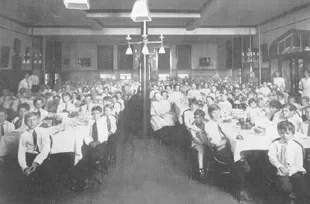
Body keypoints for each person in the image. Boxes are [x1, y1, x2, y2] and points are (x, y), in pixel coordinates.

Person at [204, 104, 251, 201]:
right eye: (214, 113)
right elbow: (215, 144)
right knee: (239, 161)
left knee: (242, 153)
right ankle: (240, 191)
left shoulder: (218, 122)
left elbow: (225, 132)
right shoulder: (209, 125)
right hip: (219, 151)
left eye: (218, 112)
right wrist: (226, 140)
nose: (217, 115)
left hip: (226, 146)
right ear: (210, 114)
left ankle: (244, 171)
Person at [69, 106, 112, 191]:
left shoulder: (103, 121)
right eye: (93, 113)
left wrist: (97, 142)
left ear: (100, 113)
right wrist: (90, 142)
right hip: (91, 144)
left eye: (97, 113)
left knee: (88, 159)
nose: (95, 115)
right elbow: (86, 135)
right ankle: (82, 180)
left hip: (101, 144)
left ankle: (82, 180)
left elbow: (105, 135)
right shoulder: (90, 122)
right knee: (85, 157)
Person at [268, 121, 309, 203]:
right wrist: (280, 166)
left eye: (287, 133)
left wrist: (290, 171)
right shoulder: (275, 144)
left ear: (292, 133)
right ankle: (286, 199)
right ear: (279, 132)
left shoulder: (296, 146)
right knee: (285, 188)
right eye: (282, 133)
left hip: (294, 170)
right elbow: (272, 157)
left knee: (301, 186)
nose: (285, 135)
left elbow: (299, 163)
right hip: (280, 170)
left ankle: (300, 199)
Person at [17, 112, 54, 183]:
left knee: (46, 178)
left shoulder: (44, 132)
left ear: (38, 121)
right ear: (25, 122)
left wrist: (36, 162)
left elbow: (45, 150)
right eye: (29, 120)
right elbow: (21, 153)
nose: (32, 122)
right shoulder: (23, 135)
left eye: (34, 119)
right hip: (29, 157)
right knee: (27, 179)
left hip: (42, 157)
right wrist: (24, 167)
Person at [190, 109, 207, 180]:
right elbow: (194, 138)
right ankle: (201, 168)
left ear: (203, 118)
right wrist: (202, 143)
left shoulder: (205, 124)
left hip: (205, 141)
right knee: (201, 150)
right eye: (196, 117)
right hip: (197, 143)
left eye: (200, 117)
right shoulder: (193, 127)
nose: (198, 119)